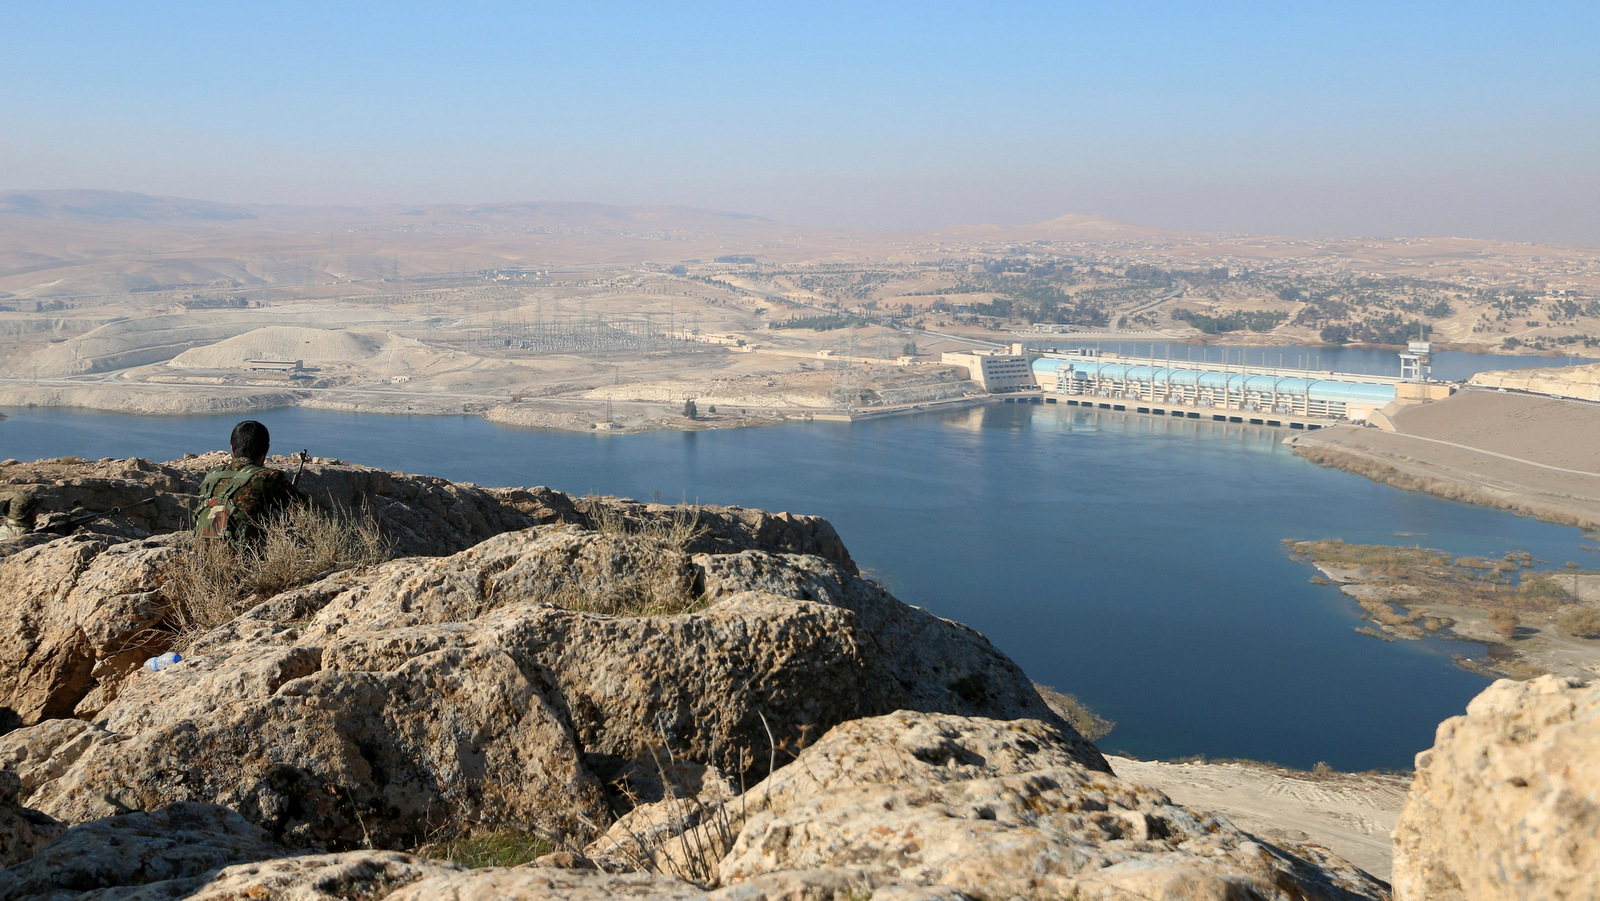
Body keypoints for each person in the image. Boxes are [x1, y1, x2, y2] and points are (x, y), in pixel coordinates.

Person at [194, 420, 306, 544]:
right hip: (246, 558)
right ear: (266, 449)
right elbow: (303, 510)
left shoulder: (211, 476)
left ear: (232, 449)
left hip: (202, 557)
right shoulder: (268, 477)